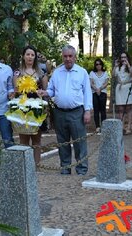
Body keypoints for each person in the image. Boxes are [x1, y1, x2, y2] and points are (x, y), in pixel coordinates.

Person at [38, 45, 92, 175]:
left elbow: (87, 93)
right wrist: (45, 92)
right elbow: (52, 90)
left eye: (70, 56)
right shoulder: (57, 72)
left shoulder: (82, 72)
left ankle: (81, 169)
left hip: (77, 112)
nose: (67, 59)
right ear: (62, 57)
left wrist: (88, 110)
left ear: (75, 57)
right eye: (65, 56)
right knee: (62, 142)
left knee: (79, 142)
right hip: (59, 112)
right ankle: (65, 168)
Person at [13, 46, 48, 166]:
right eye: (28, 54)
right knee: (24, 138)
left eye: (32, 55)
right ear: (23, 56)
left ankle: (36, 165)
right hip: (23, 107)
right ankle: (25, 166)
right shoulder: (18, 72)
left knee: (37, 139)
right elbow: (16, 90)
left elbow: (45, 89)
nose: (30, 57)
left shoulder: (41, 73)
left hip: (37, 108)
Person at [112, 52, 132, 135]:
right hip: (119, 88)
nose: (123, 59)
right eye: (121, 57)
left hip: (128, 87)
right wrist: (115, 66)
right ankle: (121, 126)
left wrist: (128, 65)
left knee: (129, 107)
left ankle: (129, 126)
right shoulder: (118, 67)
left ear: (127, 58)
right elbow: (113, 75)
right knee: (120, 108)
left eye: (125, 57)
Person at [89, 58, 109, 135]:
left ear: (102, 65)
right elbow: (91, 83)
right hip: (94, 93)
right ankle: (97, 126)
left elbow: (106, 83)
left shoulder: (105, 73)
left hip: (103, 93)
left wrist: (100, 89)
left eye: (100, 64)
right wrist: (96, 89)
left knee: (103, 110)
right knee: (96, 110)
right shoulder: (92, 73)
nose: (98, 66)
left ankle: (103, 126)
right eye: (97, 64)